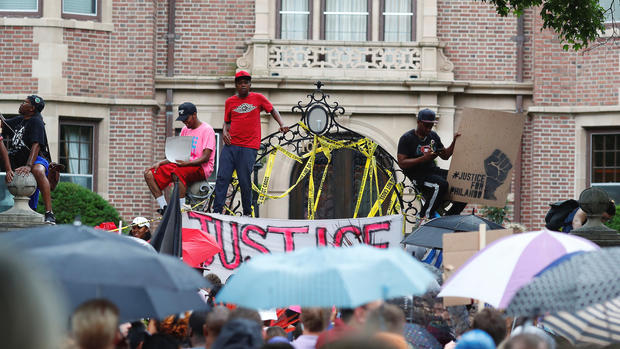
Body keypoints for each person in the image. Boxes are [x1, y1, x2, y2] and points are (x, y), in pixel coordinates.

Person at [213, 70, 289, 216]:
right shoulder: (230, 101)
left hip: (249, 147)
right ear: (236, 85)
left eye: (246, 82)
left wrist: (282, 124)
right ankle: (217, 211)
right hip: (231, 146)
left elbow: (272, 110)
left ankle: (247, 212)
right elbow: (227, 122)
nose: (243, 85)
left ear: (250, 84)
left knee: (244, 180)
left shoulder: (258, 98)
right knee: (222, 177)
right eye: (240, 83)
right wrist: (225, 132)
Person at [145, 102, 216, 215]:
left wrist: (186, 164)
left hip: (201, 167)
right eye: (182, 119)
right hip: (183, 164)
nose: (184, 122)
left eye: (186, 118)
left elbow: (205, 158)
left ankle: (181, 209)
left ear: (194, 115)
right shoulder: (184, 130)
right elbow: (179, 154)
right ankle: (164, 207)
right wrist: (161, 162)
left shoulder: (207, 130)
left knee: (177, 172)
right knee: (149, 173)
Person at [397, 109, 466, 218]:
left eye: (431, 125)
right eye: (426, 125)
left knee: (463, 182)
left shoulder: (433, 136)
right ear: (418, 122)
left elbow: (445, 155)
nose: (429, 129)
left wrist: (455, 142)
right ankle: (424, 216)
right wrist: (423, 159)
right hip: (417, 175)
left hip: (432, 171)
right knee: (441, 184)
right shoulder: (407, 138)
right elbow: (402, 163)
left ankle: (450, 216)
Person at [1, 95, 55, 223]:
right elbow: (3, 124)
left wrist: (29, 165)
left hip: (37, 159)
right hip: (21, 162)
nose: (21, 104)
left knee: (38, 171)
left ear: (32, 108)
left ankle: (49, 213)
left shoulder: (36, 121)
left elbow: (36, 145)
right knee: (30, 207)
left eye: (24, 103)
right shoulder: (19, 120)